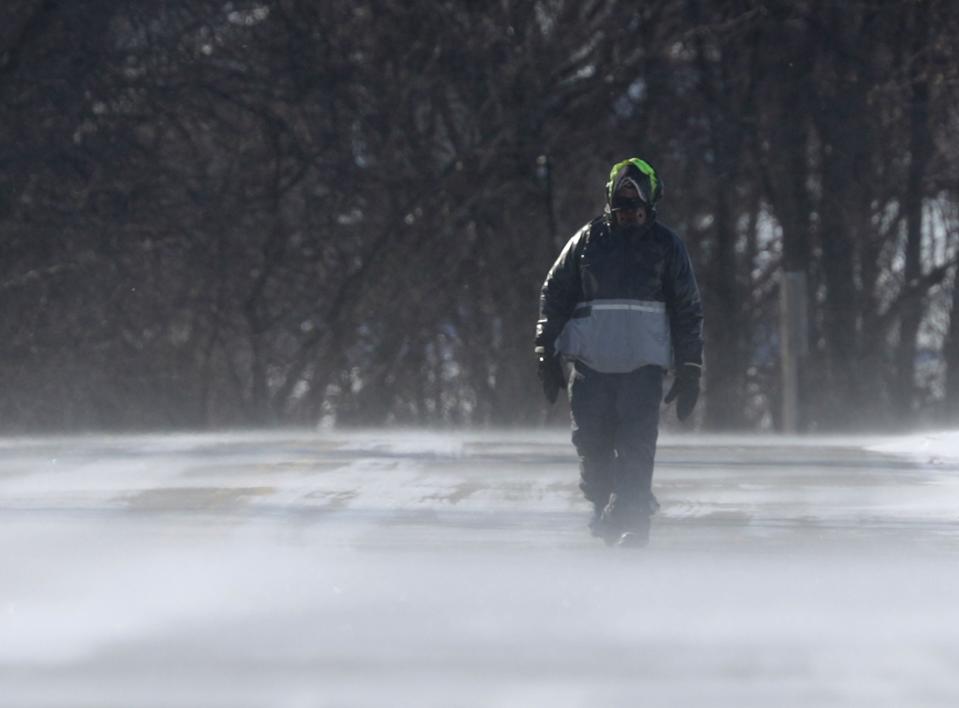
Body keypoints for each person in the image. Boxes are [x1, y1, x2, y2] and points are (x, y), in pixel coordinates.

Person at [534, 157, 704, 547]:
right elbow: (554, 296)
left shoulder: (667, 247)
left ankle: (633, 523)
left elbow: (687, 310)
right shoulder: (585, 243)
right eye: (622, 202)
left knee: (635, 447)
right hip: (591, 369)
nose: (629, 211)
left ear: (650, 203)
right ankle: (606, 507)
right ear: (610, 200)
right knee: (592, 449)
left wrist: (690, 366)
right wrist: (545, 352)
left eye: (636, 203)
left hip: (643, 370)